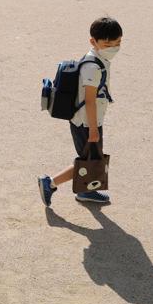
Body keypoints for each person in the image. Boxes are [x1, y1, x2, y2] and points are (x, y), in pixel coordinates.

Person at [37, 17, 123, 207]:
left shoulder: (98, 58)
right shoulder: (92, 67)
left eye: (117, 43)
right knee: (88, 160)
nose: (114, 48)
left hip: (86, 120)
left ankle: (85, 190)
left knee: (92, 159)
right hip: (87, 122)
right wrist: (93, 129)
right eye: (108, 44)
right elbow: (90, 101)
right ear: (93, 42)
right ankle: (50, 183)